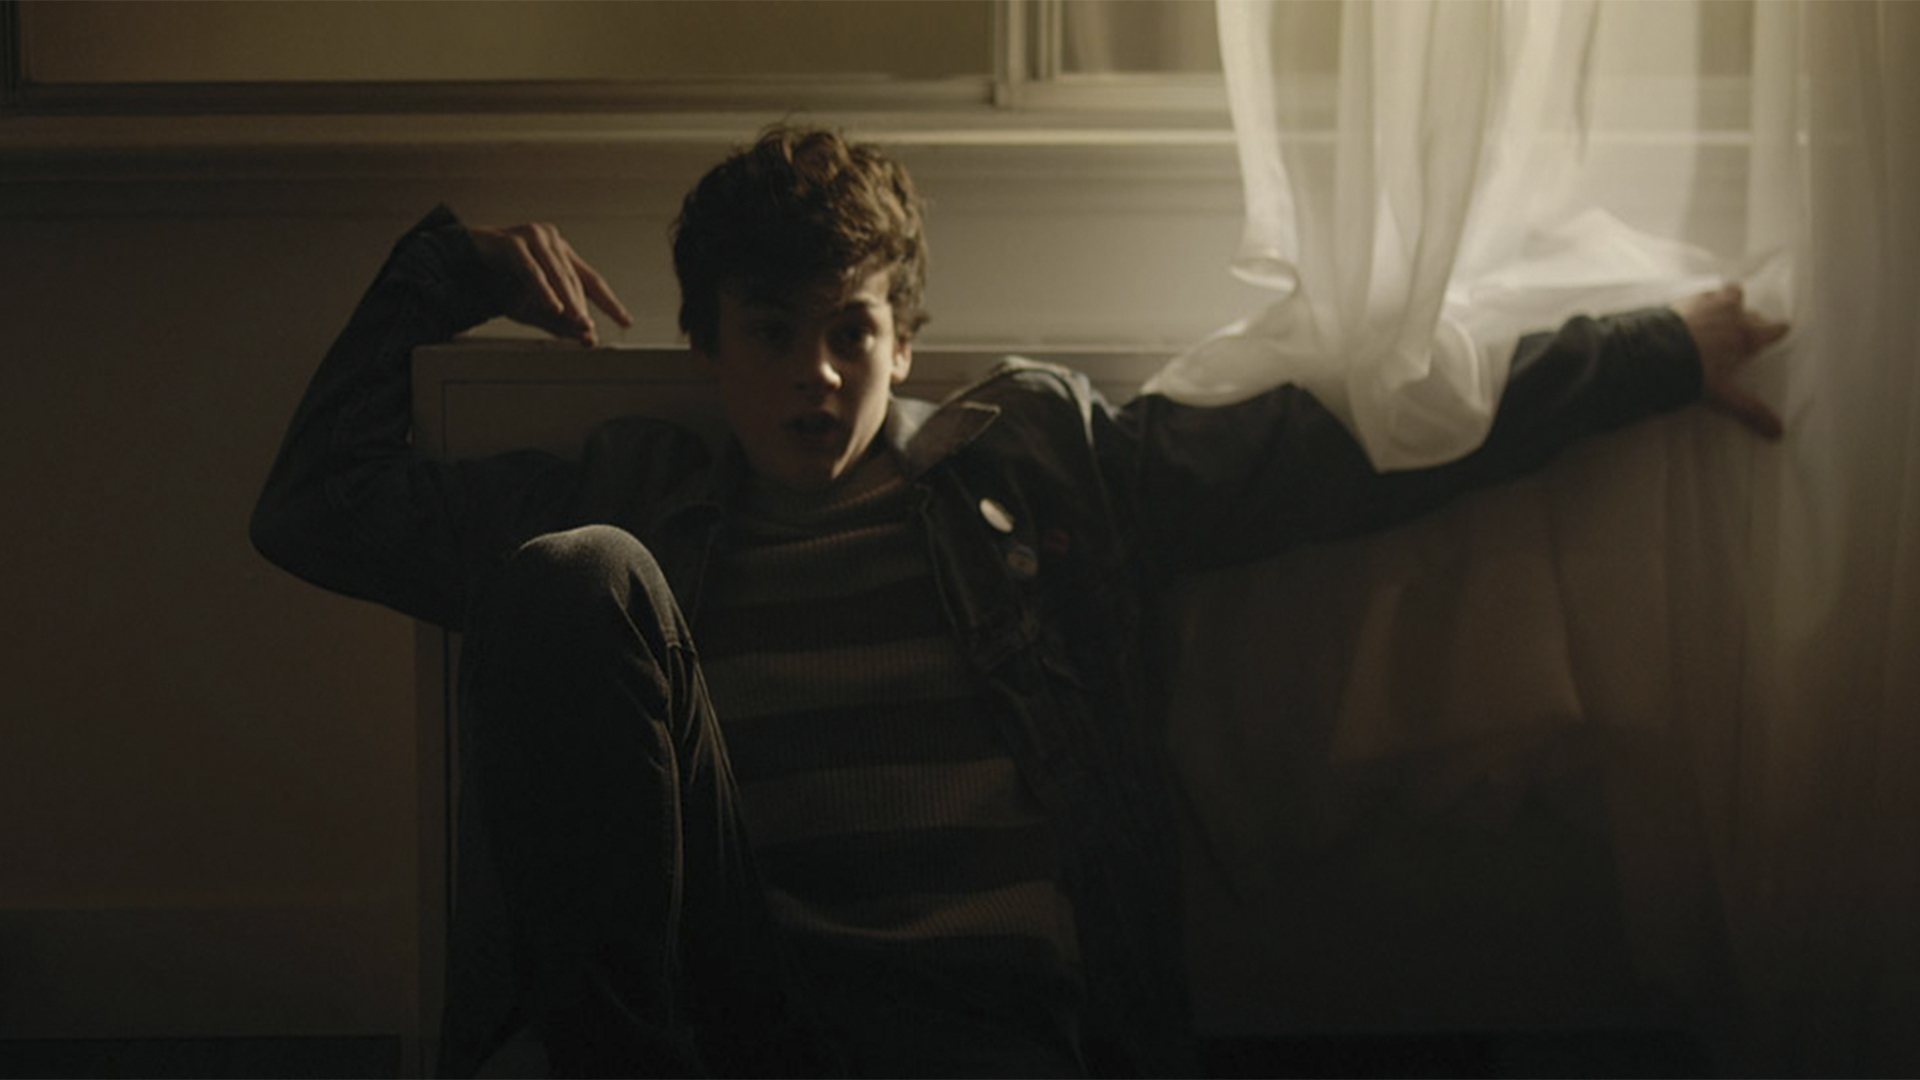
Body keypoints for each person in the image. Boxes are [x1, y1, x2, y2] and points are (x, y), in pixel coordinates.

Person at [251, 124, 1788, 1079]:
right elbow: (317, 509)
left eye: (851, 332)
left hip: (1002, 1023)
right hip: (745, 1011)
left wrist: (1654, 354)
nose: (817, 375)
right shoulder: (646, 491)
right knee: (571, 575)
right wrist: (451, 273)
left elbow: (1321, 458)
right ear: (708, 344)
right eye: (772, 333)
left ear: (906, 340)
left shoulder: (1038, 466)